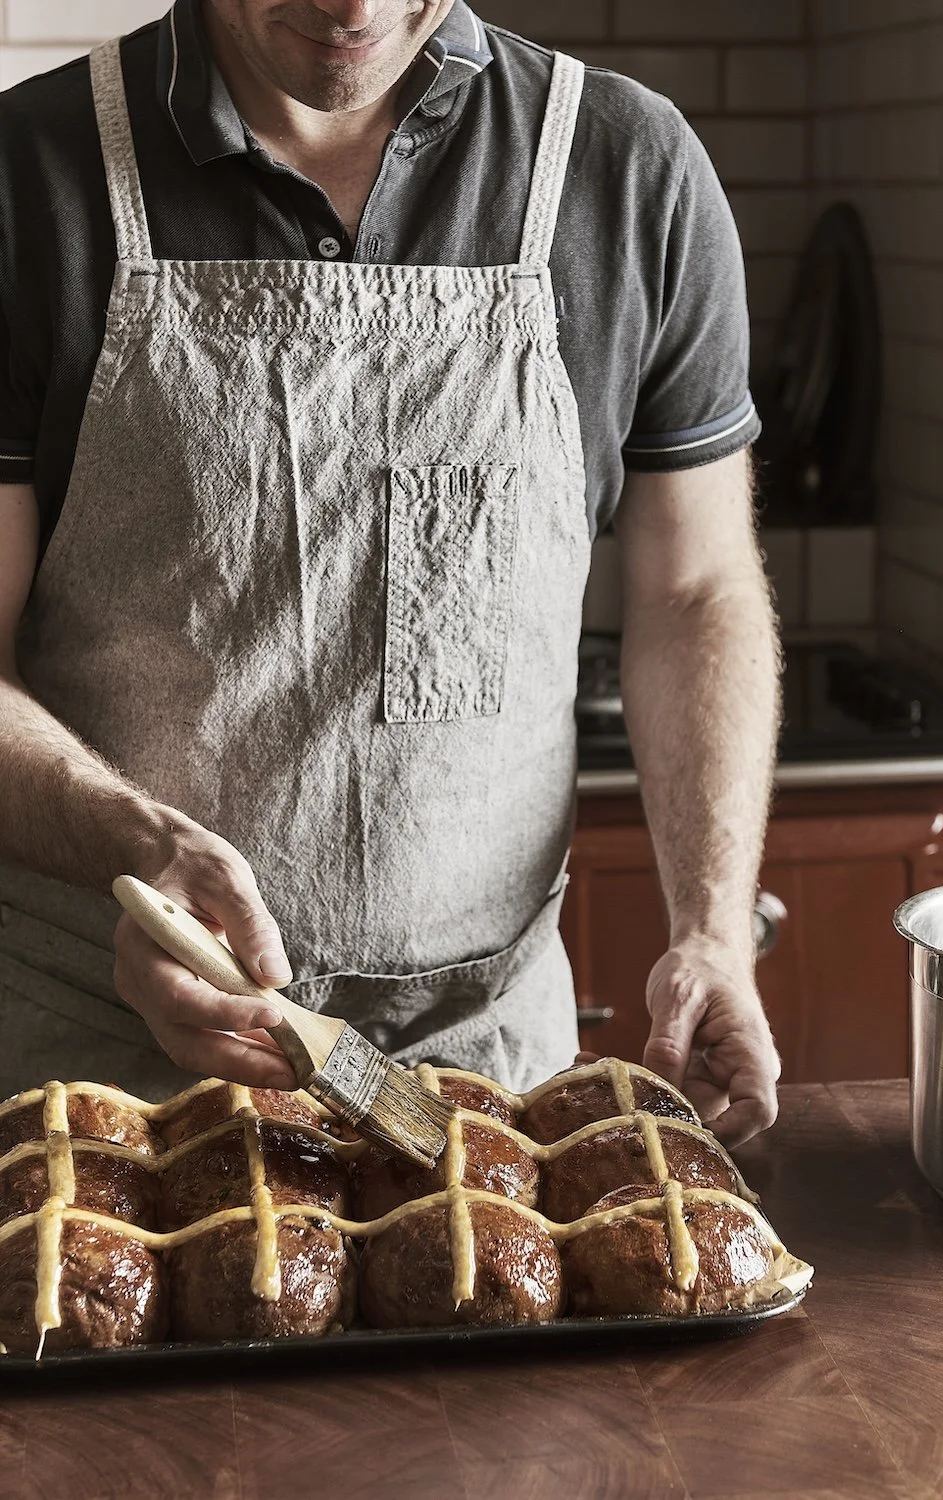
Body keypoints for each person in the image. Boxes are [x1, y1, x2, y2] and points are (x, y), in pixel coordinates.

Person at [0, 0, 781, 1143]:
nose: (355, 8)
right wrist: (131, 844)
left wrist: (710, 928)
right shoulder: (29, 179)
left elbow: (694, 591)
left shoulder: (625, 169)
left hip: (488, 1079)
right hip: (104, 1075)